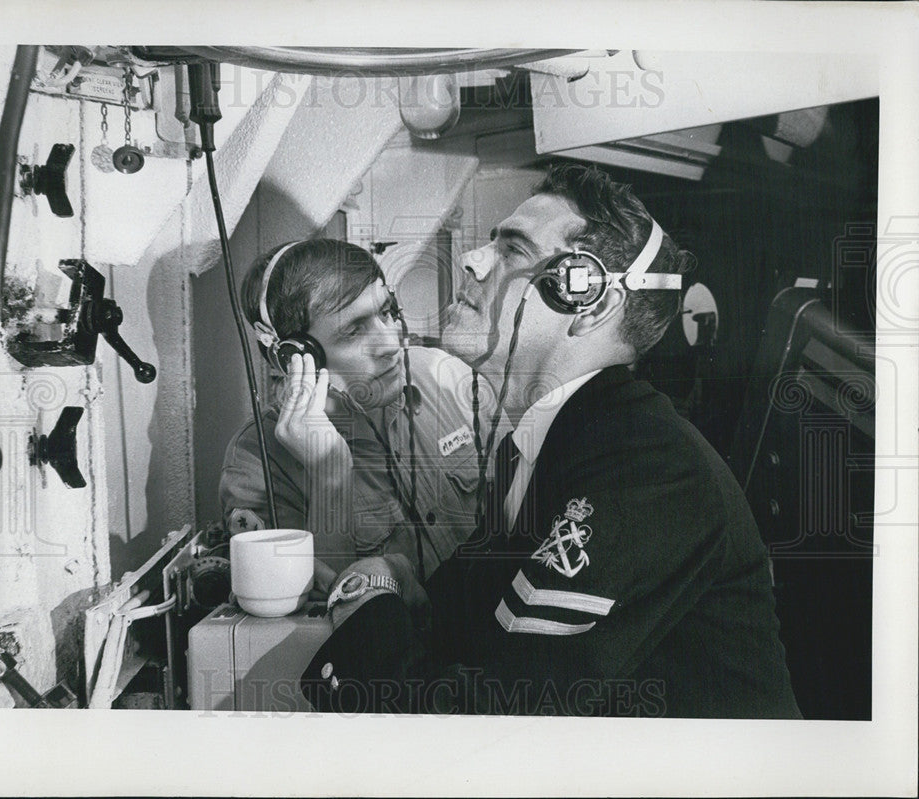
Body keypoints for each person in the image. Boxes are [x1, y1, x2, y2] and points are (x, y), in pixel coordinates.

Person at [301, 164, 802, 718]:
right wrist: (397, 575)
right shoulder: (539, 451)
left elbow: (495, 726)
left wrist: (363, 606)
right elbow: (464, 620)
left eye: (512, 249)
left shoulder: (650, 472)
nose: (472, 260)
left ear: (589, 301)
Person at [219, 238, 494, 577]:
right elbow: (313, 616)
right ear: (294, 355)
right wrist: (328, 474)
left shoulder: (446, 375)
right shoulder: (257, 462)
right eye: (353, 331)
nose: (392, 343)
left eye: (386, 312)